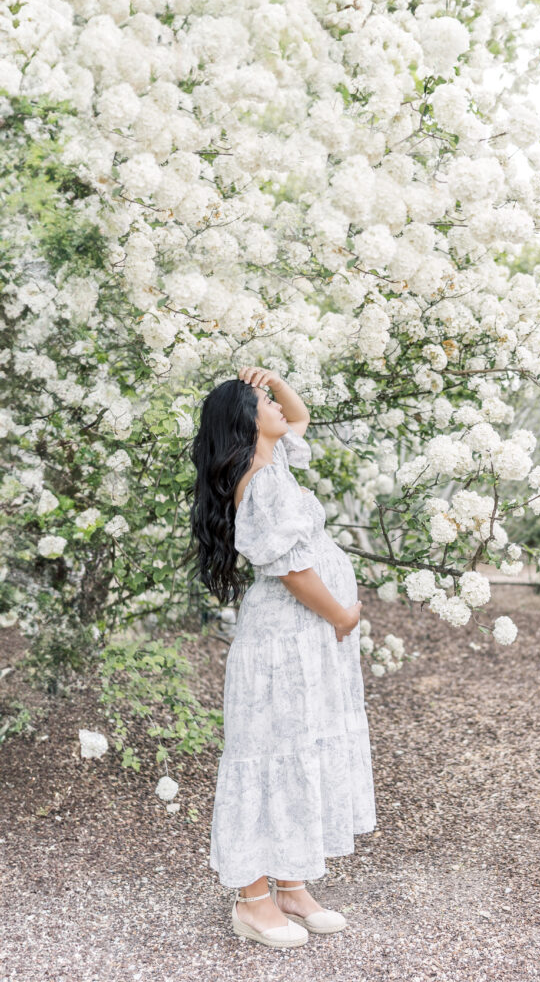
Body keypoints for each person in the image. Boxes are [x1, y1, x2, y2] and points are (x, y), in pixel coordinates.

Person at [187, 365, 377, 948]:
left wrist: (272, 378)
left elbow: (300, 417)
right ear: (247, 421)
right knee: (269, 751)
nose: (275, 404)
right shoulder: (261, 481)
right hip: (285, 639)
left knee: (301, 744)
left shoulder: (275, 464)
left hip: (304, 638)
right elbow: (293, 570)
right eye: (263, 400)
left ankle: (291, 884)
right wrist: (341, 614)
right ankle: (252, 900)